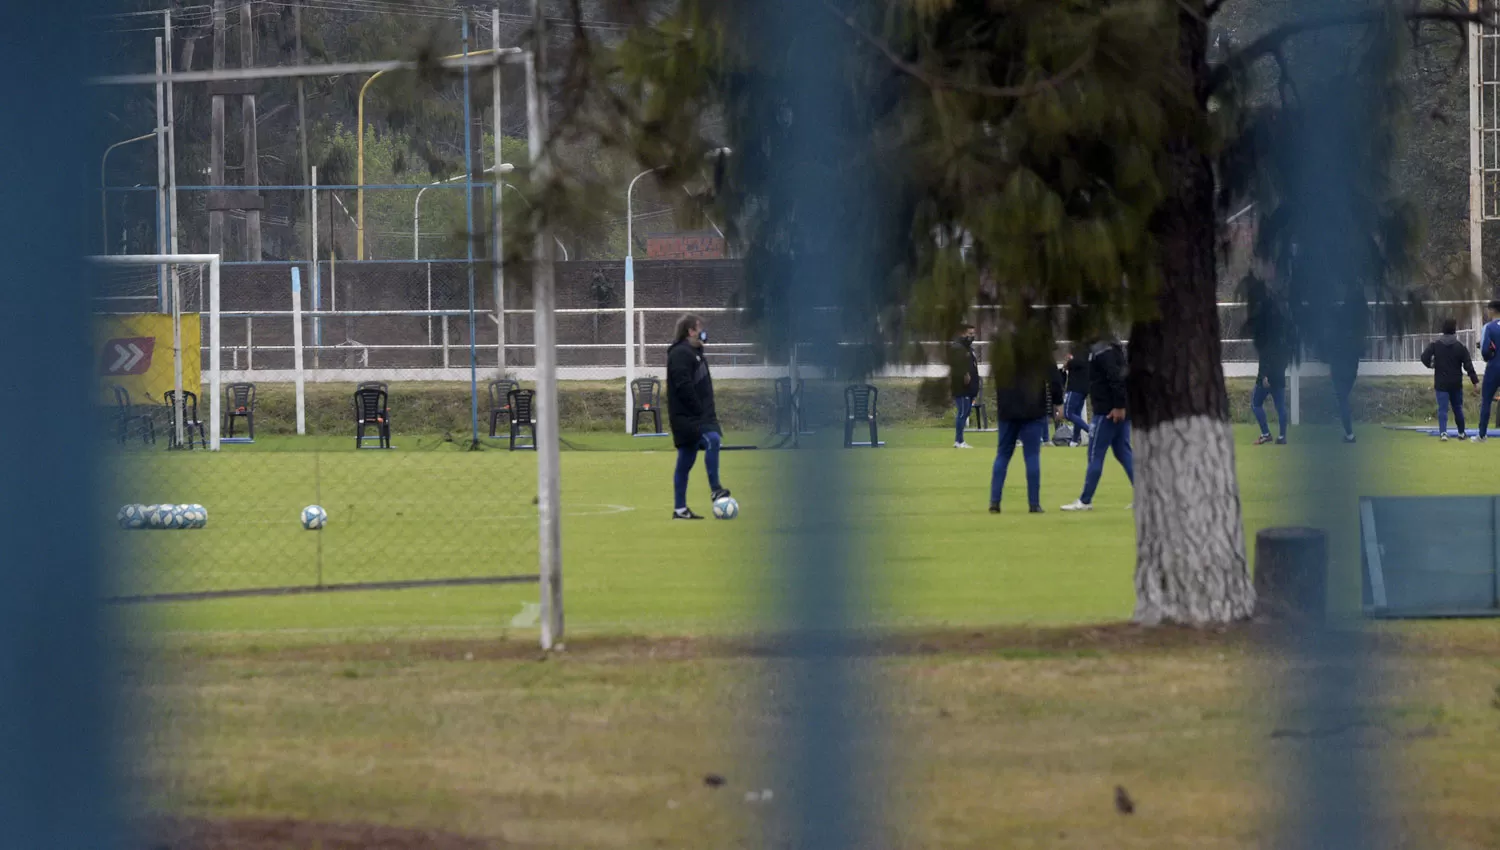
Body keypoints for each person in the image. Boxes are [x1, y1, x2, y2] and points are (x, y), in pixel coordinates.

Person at [666, 314, 730, 519]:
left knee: (686, 460)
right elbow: (683, 385)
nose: (704, 332)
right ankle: (715, 488)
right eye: (699, 328)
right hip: (688, 418)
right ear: (690, 331)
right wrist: (698, 410)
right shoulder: (680, 354)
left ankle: (680, 509)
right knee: (712, 440)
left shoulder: (696, 353)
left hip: (699, 416)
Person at [1061, 337, 1134, 512]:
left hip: (1107, 412)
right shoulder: (1112, 347)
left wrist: (1118, 405)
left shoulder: (1103, 350)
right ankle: (1145, 496)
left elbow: (1115, 378)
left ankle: (1085, 500)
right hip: (1119, 409)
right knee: (1123, 452)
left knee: (1095, 454)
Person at [989, 354, 1051, 514]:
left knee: (1002, 455)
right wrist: (1056, 401)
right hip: (1033, 408)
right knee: (1032, 456)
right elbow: (1051, 375)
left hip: (1007, 408)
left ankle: (994, 501)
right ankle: (1034, 503)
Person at [1421, 317, 1479, 442]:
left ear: (1443, 330)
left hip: (1441, 382)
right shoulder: (1460, 347)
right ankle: (1461, 433)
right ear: (1454, 330)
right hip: (1456, 383)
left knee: (1442, 409)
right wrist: (1475, 381)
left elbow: (1424, 357)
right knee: (1457, 408)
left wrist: (1432, 365)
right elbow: (1468, 365)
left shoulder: (1435, 345)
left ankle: (1443, 433)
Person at [1252, 331, 1290, 446]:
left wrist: (1265, 376)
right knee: (1281, 407)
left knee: (1256, 404)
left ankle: (1265, 434)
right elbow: (1284, 362)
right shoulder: (1284, 341)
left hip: (1266, 380)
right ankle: (1282, 436)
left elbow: (1265, 359)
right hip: (1279, 378)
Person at [949, 324, 981, 448]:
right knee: (962, 412)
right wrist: (964, 373)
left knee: (966, 412)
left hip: (970, 388)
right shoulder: (958, 347)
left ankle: (960, 440)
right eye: (969, 334)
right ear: (962, 333)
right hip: (961, 388)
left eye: (973, 334)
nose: (972, 336)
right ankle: (959, 441)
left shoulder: (969, 349)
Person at [1474, 300, 1500, 442]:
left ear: (1491, 310)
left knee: (1487, 400)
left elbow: (1485, 350)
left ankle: (1482, 435)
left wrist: (1488, 356)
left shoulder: (1488, 327)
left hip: (1494, 367)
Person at [1061, 345, 1091, 446]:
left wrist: (1068, 361)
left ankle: (1091, 431)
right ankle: (1074, 441)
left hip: (1075, 389)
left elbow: (1069, 364)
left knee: (1068, 413)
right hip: (1084, 389)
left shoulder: (1079, 356)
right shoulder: (1089, 354)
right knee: (1077, 415)